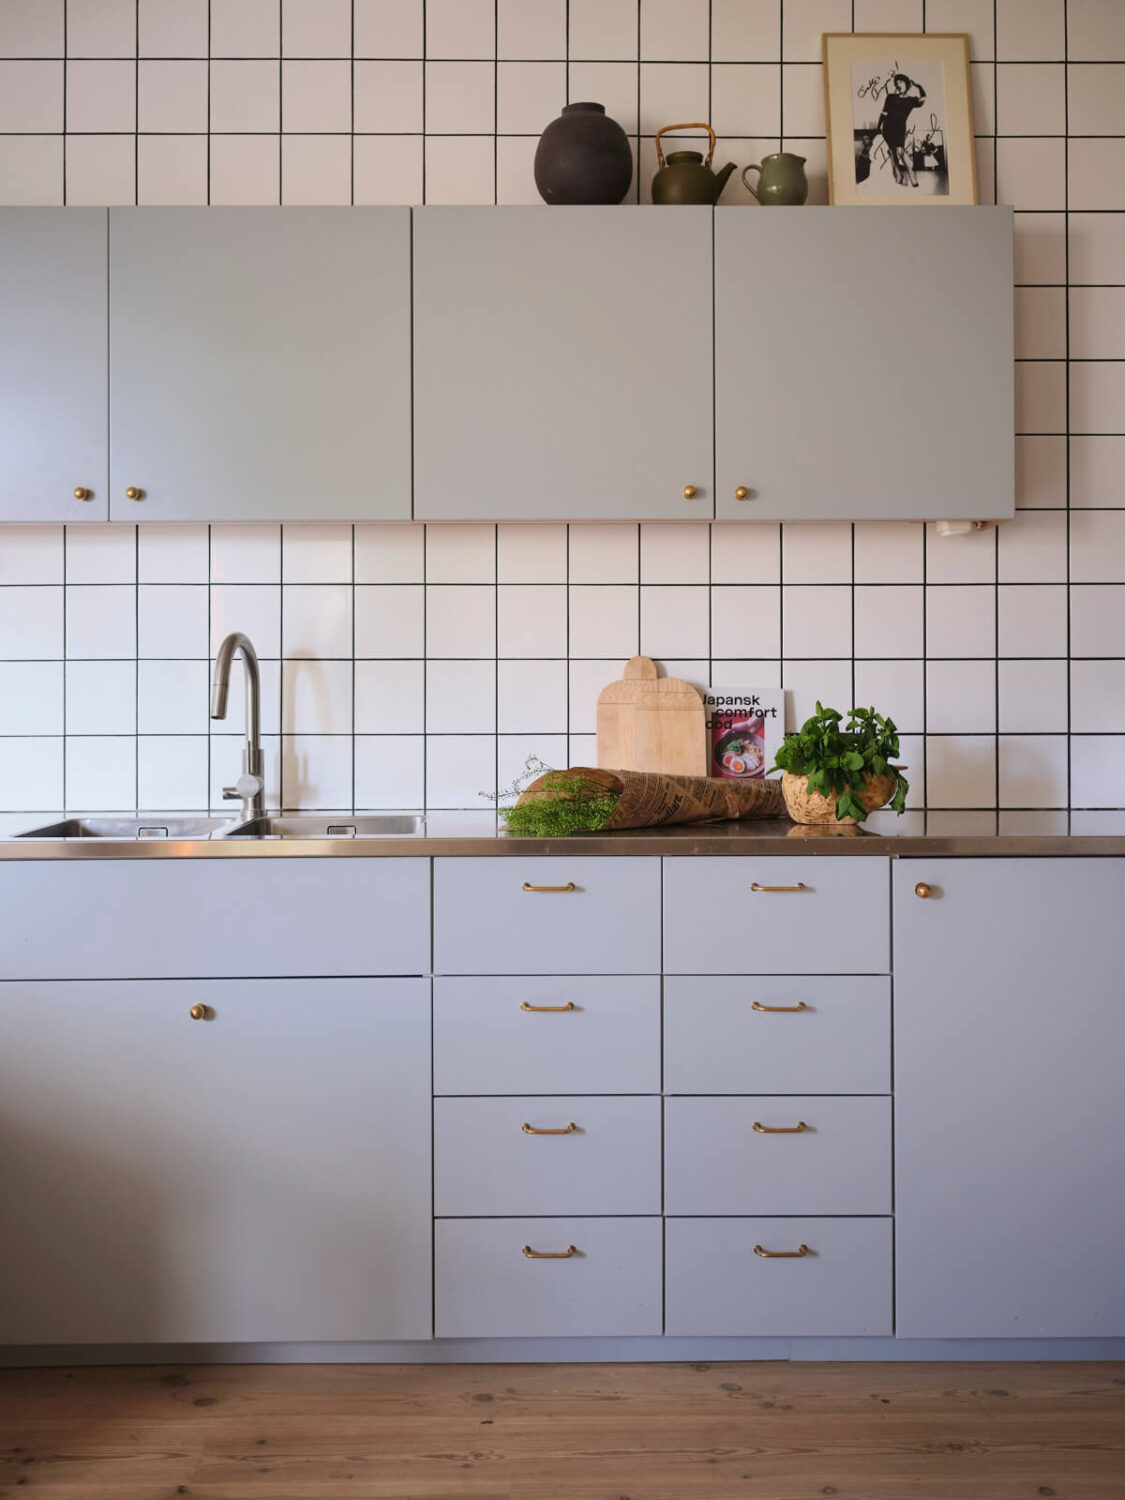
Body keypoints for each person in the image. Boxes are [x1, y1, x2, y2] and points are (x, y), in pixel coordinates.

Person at [877, 73, 926, 187]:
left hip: (899, 128)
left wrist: (919, 86)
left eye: (901, 82)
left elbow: (923, 98)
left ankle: (912, 177)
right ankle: (899, 176)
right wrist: (878, 127)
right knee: (891, 153)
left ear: (907, 84)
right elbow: (884, 113)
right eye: (897, 82)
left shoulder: (911, 100)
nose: (899, 84)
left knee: (900, 151)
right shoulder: (890, 97)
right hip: (887, 127)